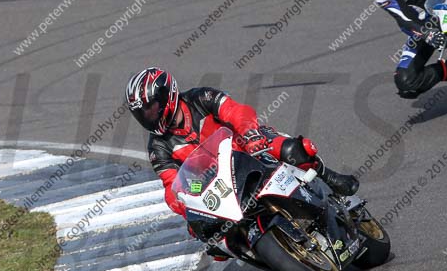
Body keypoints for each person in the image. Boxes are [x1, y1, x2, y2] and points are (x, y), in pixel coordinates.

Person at [125, 67, 358, 257]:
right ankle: (273, 251)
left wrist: (250, 133)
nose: (149, 116)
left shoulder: (200, 98)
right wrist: (188, 202)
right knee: (209, 238)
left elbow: (236, 111)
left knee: (293, 149)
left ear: (168, 96)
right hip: (217, 184)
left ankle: (329, 177)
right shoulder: (158, 147)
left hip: (248, 148)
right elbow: (171, 185)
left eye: (151, 108)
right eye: (142, 113)